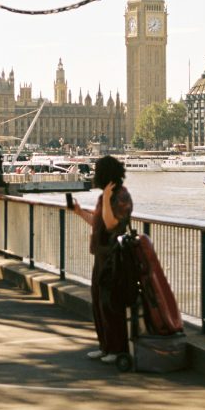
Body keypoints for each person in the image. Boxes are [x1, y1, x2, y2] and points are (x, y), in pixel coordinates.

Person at [71, 155, 133, 364]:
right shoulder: (104, 198)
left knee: (111, 303)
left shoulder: (121, 196)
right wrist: (80, 212)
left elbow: (110, 224)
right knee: (98, 301)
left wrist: (106, 200)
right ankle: (104, 346)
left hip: (114, 257)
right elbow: (97, 223)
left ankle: (117, 348)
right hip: (101, 255)